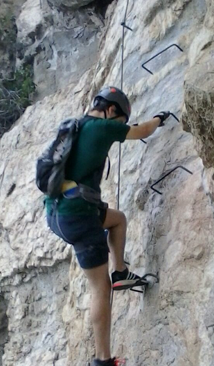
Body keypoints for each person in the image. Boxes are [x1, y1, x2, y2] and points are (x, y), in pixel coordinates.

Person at [45, 86, 171, 366]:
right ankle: (103, 360)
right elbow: (142, 131)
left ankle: (121, 272)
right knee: (99, 288)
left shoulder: (76, 126)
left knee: (118, 220)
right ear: (112, 110)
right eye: (121, 120)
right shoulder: (101, 127)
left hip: (57, 212)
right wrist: (159, 119)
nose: (120, 126)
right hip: (78, 216)